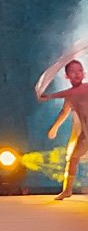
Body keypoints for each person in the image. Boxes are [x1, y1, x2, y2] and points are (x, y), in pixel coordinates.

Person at [40, 59, 88, 200]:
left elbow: (71, 92)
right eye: (72, 72)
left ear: (84, 74)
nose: (77, 74)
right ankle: (67, 190)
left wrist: (50, 96)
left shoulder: (85, 88)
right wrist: (54, 128)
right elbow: (64, 112)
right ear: (67, 76)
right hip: (85, 134)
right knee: (72, 158)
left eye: (79, 71)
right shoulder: (70, 96)